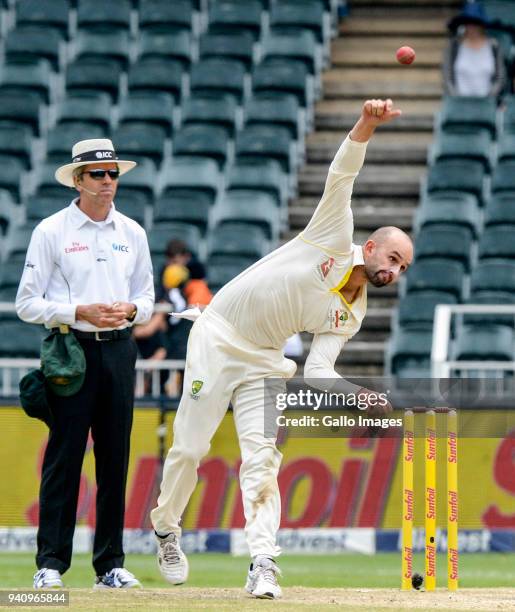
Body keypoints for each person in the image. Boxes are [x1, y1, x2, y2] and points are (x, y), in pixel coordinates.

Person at [150, 99, 413, 599]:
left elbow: (317, 369)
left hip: (266, 362)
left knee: (263, 460)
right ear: (373, 247)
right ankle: (165, 528)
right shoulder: (334, 236)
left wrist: (357, 393)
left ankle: (263, 562)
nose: (394, 272)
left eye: (403, 269)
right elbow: (342, 174)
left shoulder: (353, 313)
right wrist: (366, 123)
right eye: (393, 259)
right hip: (218, 334)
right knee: (189, 448)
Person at [15, 139, 155, 589]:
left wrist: (131, 312)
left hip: (118, 349)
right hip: (70, 351)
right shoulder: (51, 231)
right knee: (64, 458)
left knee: (115, 459)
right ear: (77, 180)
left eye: (113, 173)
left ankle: (110, 564)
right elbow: (26, 304)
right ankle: (50, 565)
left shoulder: (132, 232)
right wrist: (79, 312)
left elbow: (148, 298)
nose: (108, 181)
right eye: (98, 174)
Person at [443, 1, 506, 98]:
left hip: (487, 104)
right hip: (459, 104)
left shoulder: (493, 46)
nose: (471, 28)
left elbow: (500, 77)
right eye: (468, 23)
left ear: (482, 25)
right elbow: (447, 76)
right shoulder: (454, 46)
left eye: (475, 23)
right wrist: (456, 97)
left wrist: (490, 96)